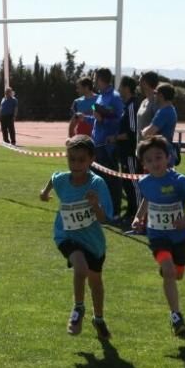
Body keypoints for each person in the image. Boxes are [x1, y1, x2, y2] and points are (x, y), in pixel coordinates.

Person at [132, 136, 185, 337]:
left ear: (168, 157)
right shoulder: (144, 182)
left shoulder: (180, 181)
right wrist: (138, 217)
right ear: (144, 164)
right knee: (168, 270)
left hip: (179, 237)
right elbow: (148, 199)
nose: (154, 163)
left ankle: (172, 271)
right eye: (149, 160)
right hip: (157, 235)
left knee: (178, 273)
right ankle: (176, 316)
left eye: (158, 157)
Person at [39, 135, 112, 339]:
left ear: (91, 160)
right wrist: (44, 194)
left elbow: (105, 219)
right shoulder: (63, 180)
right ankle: (78, 308)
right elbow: (53, 179)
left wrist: (95, 205)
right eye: (72, 159)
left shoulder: (98, 184)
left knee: (95, 282)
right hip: (65, 235)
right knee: (80, 268)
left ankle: (98, 319)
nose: (76, 164)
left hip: (93, 241)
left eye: (81, 160)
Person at [85, 68, 125, 220]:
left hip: (108, 147)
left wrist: (104, 120)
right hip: (97, 144)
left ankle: (114, 212)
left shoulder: (115, 97)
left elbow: (120, 119)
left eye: (95, 78)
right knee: (97, 180)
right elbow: (97, 118)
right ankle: (101, 210)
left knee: (112, 180)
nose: (94, 81)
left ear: (101, 79)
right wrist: (86, 118)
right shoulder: (100, 97)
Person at [115, 75, 140, 220]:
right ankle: (131, 211)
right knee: (126, 182)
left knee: (133, 182)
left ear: (126, 88)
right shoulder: (126, 105)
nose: (118, 90)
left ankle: (137, 214)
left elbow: (132, 131)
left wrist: (115, 138)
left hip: (130, 151)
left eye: (120, 87)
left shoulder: (132, 106)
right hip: (123, 152)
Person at [135, 71, 160, 141]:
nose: (139, 85)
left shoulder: (156, 102)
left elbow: (157, 128)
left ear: (146, 83)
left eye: (140, 82)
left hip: (150, 148)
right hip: (140, 146)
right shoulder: (144, 101)